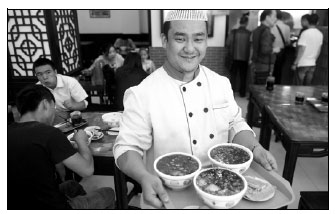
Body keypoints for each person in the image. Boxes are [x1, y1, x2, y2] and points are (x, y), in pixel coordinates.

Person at [113, 10, 278, 209]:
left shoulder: (220, 84)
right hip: (168, 196)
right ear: (165, 41)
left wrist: (255, 148)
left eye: (198, 39)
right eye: (180, 38)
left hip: (221, 191)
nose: (190, 48)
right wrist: (143, 177)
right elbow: (127, 147)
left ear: (206, 41)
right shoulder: (142, 93)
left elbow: (234, 123)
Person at [8, 85, 115, 209]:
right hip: (50, 206)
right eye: (54, 107)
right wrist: (81, 141)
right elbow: (87, 170)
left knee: (71, 186)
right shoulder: (49, 133)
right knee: (108, 193)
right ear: (45, 104)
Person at [34, 58, 88, 124]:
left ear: (55, 72)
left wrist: (74, 105)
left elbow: (84, 105)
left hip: (71, 117)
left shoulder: (70, 82)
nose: (45, 77)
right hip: (50, 119)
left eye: (48, 72)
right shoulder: (37, 88)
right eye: (39, 74)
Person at [292, 14, 323, 85]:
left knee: (298, 85)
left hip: (302, 63)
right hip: (312, 63)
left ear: (308, 21)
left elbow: (302, 49)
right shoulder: (320, 34)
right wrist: (314, 60)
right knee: (308, 86)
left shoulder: (305, 33)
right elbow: (319, 50)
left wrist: (295, 63)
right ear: (317, 22)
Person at [226, 14, 251, 97]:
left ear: (239, 22)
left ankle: (231, 93)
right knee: (243, 77)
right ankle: (242, 93)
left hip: (234, 57)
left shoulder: (233, 32)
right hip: (245, 58)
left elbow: (228, 43)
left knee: (233, 76)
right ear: (247, 23)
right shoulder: (249, 33)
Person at [251, 10, 277, 85]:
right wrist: (274, 49)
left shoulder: (257, 30)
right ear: (267, 17)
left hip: (257, 63)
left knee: (257, 86)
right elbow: (265, 50)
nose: (275, 19)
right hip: (264, 64)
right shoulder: (266, 31)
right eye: (274, 16)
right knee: (263, 88)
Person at [271, 10, 291, 84]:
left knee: (270, 71)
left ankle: (269, 86)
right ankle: (277, 86)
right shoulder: (287, 27)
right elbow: (288, 42)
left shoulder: (271, 26)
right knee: (279, 71)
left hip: (272, 50)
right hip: (281, 52)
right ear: (282, 17)